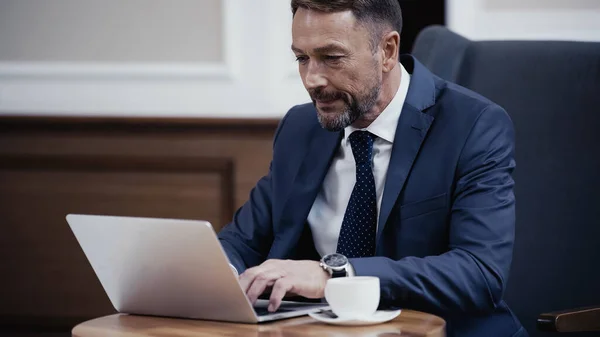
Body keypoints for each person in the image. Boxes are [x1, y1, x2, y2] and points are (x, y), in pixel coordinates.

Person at [218, 0, 527, 336]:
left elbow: (479, 274)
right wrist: (216, 275)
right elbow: (242, 241)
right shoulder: (300, 127)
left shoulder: (473, 126)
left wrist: (333, 275)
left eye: (332, 58)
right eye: (302, 58)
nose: (311, 79)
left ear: (387, 51)